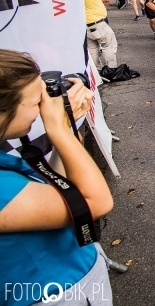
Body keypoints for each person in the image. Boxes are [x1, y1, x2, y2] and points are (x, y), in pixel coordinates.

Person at [0, 49, 114, 305]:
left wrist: (65, 136)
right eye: (34, 101)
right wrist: (59, 129)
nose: (43, 106)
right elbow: (94, 203)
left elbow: (58, 188)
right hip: (54, 292)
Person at [82, 0, 118, 70]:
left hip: (86, 24)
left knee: (93, 50)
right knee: (108, 47)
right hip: (98, 23)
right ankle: (111, 69)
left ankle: (96, 71)